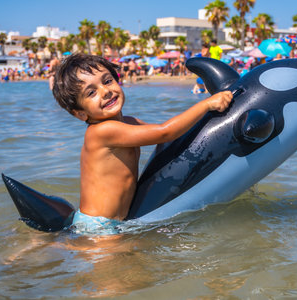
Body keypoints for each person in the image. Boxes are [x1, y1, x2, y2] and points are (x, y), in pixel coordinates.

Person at [52, 53, 232, 234]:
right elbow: (165, 132)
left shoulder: (129, 122)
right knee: (127, 262)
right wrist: (207, 104)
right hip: (97, 226)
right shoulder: (100, 132)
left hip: (115, 223)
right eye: (91, 92)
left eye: (107, 81)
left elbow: (169, 132)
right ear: (81, 114)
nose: (105, 91)